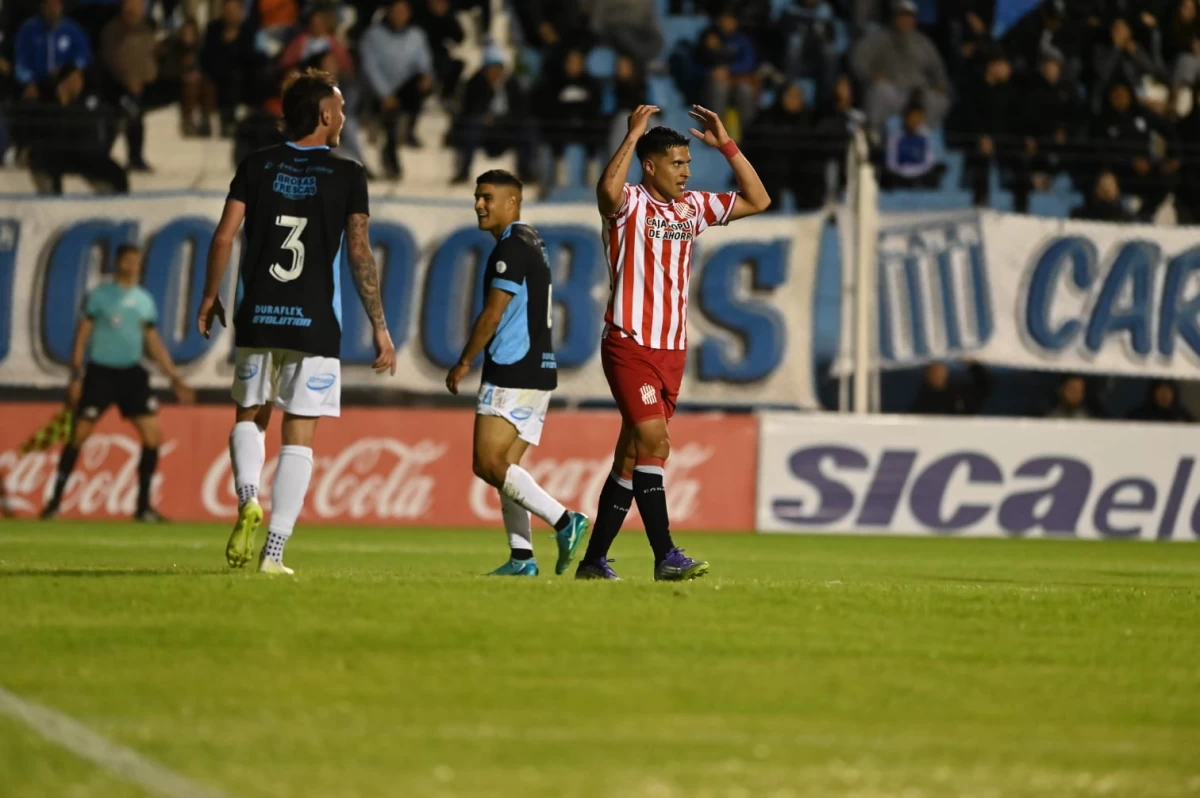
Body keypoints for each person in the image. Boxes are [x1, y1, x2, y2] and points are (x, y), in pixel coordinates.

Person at [197, 68, 397, 575]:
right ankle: (275, 553)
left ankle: (247, 498)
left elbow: (223, 237)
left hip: (258, 316)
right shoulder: (348, 174)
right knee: (298, 434)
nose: (345, 116)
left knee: (249, 416)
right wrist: (379, 324)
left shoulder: (257, 165)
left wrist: (209, 296)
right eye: (342, 108)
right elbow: (358, 253)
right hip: (314, 325)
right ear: (326, 116)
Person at [576, 104, 770, 581]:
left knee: (629, 456)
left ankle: (593, 562)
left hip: (672, 351)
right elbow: (605, 190)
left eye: (688, 162)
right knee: (655, 442)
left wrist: (726, 144)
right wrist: (633, 134)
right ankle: (665, 555)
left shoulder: (693, 208)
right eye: (677, 163)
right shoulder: (628, 205)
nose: (687, 171)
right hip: (630, 343)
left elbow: (759, 199)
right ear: (650, 165)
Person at [444, 170, 590, 577]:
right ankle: (522, 558)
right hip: (538, 369)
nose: (479, 204)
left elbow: (493, 313)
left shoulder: (510, 247)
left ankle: (565, 521)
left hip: (512, 369)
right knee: (506, 468)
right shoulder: (533, 242)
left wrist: (464, 361)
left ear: (513, 202)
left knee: (487, 463)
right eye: (477, 197)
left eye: (488, 197)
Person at [41, 244, 195, 521]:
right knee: (79, 435)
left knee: (153, 437)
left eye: (136, 261)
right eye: (127, 260)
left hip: (131, 375)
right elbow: (82, 334)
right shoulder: (100, 296)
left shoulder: (144, 300)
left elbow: (152, 340)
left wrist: (174, 377)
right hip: (100, 373)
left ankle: (143, 507)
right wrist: (76, 374)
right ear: (118, 263)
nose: (132, 265)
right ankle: (54, 503)